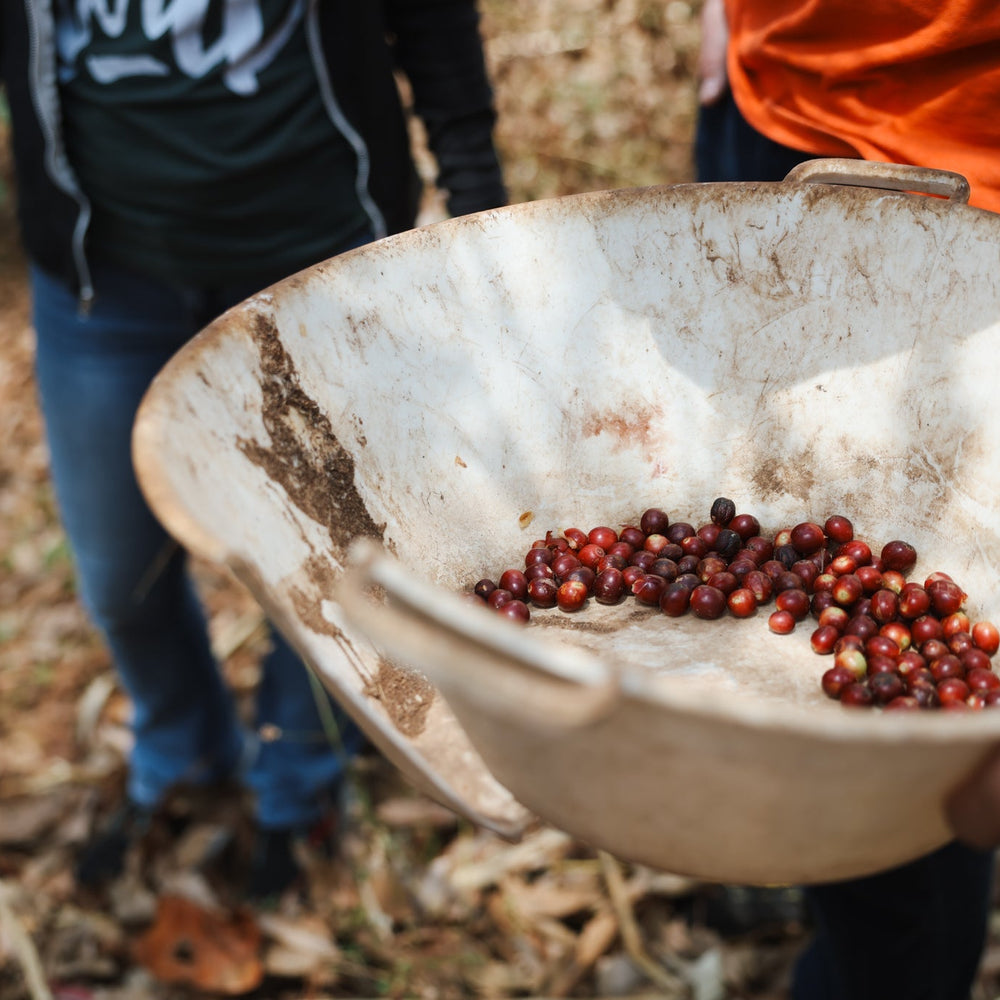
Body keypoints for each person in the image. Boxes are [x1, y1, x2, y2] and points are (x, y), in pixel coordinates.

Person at [0, 0, 506, 899]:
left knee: (333, 569)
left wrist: (476, 192)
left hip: (316, 254)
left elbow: (430, 18)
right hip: (106, 273)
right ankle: (180, 756)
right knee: (121, 578)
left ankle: (298, 788)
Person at [694, 1, 1000, 996]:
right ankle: (793, 863)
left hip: (981, 184)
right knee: (773, 537)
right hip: (780, 116)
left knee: (922, 817)